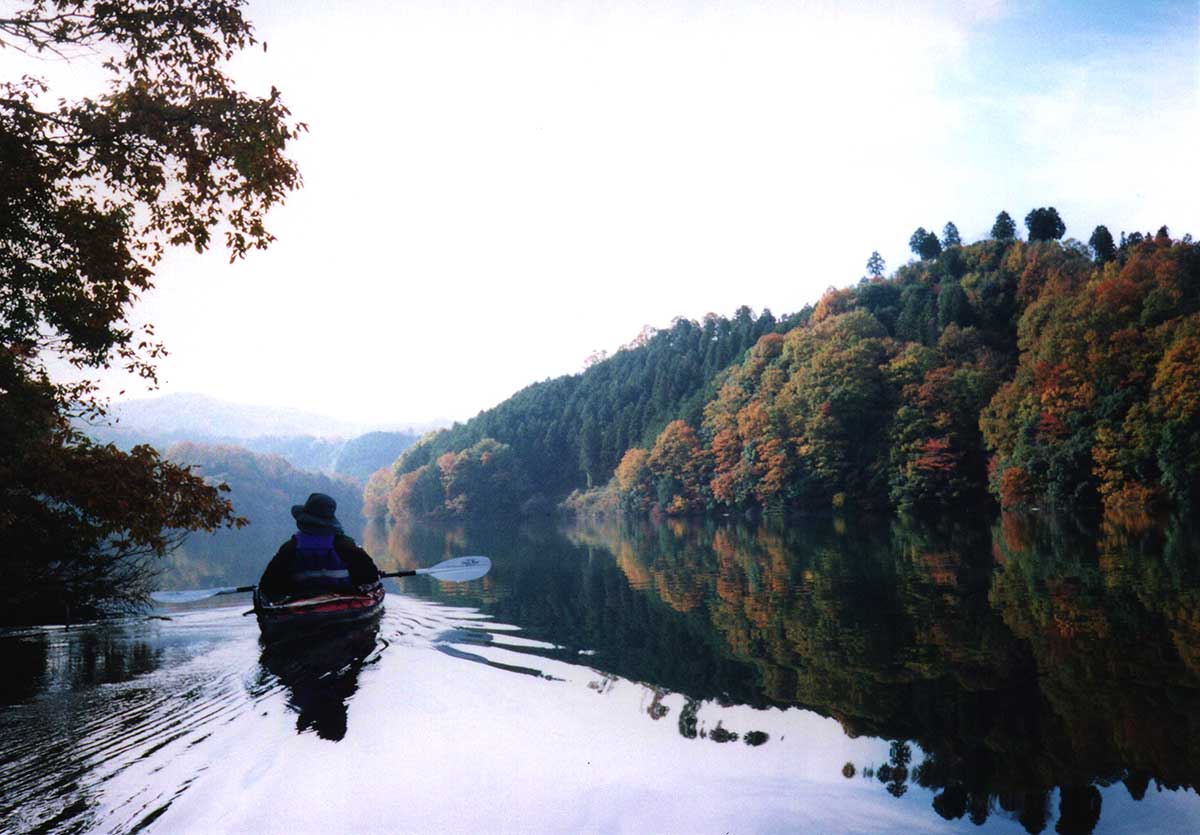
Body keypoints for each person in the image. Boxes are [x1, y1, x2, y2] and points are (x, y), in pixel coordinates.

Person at [259, 493, 380, 600]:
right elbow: (371, 578)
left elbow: (267, 586)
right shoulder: (346, 545)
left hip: (300, 603)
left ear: (303, 521)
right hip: (343, 600)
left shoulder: (290, 547)